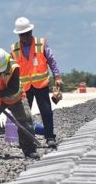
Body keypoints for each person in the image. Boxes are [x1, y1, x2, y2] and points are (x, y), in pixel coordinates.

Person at [10, 17, 63, 149]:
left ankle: (50, 137)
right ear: (18, 35)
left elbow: (51, 60)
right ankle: (25, 140)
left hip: (40, 85)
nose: (25, 37)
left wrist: (57, 76)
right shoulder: (14, 49)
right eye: (22, 35)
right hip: (23, 87)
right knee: (23, 115)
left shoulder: (41, 43)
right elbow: (10, 68)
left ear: (31, 31)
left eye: (27, 34)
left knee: (46, 112)